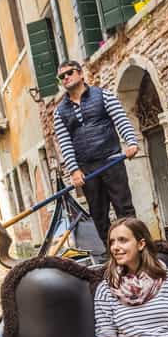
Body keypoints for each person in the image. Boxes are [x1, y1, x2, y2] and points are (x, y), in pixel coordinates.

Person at [52, 60, 139, 247]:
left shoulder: (104, 96)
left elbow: (121, 120)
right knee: (98, 214)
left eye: (69, 73)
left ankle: (137, 250)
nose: (66, 78)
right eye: (62, 77)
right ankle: (112, 254)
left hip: (111, 161)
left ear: (81, 74)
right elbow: (65, 143)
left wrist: (131, 142)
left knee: (124, 208)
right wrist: (74, 171)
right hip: (87, 170)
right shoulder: (59, 112)